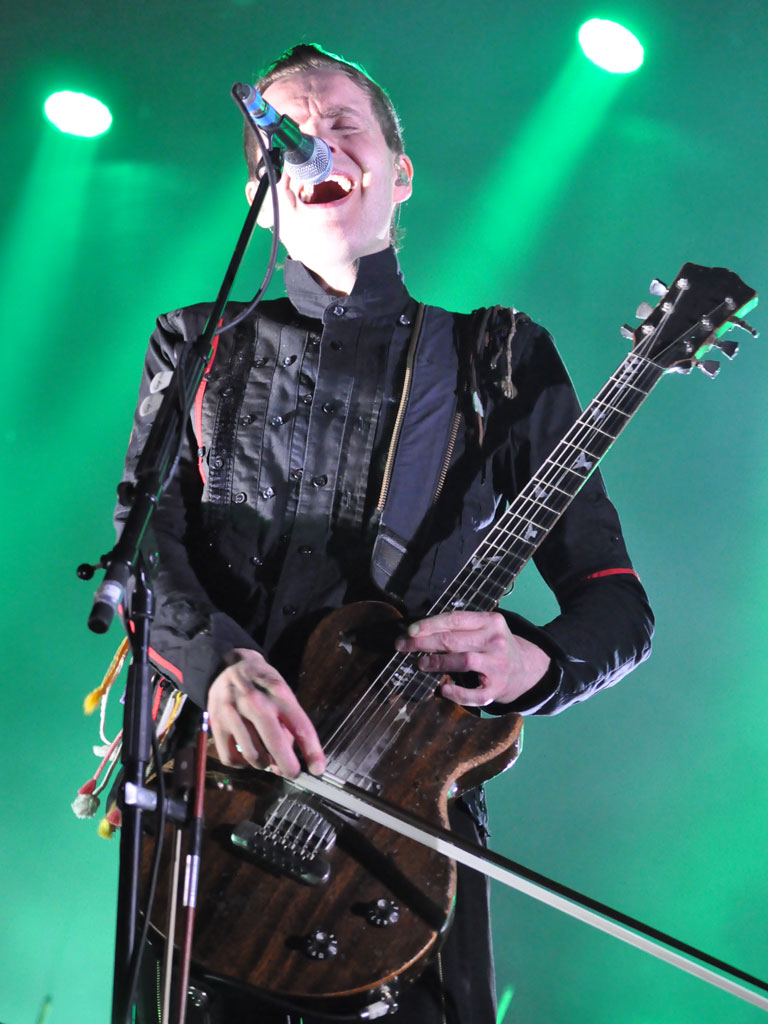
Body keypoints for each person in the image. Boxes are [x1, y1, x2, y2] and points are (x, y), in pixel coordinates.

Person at [119, 43, 654, 1024]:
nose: (316, 146)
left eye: (342, 126)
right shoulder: (195, 342)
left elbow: (617, 603)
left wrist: (534, 661)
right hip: (222, 805)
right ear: (260, 192)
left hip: (404, 822)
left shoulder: (498, 356)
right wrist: (217, 663)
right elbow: (143, 550)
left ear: (399, 174)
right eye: (287, 135)